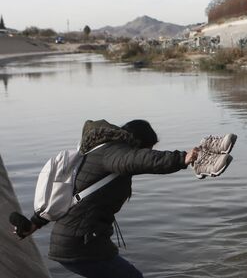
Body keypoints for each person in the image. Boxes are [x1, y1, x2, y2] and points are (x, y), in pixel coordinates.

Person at [15, 119, 202, 278]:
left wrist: (33, 224)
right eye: (148, 148)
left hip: (77, 242)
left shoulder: (100, 153)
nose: (149, 152)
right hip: (80, 245)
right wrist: (182, 158)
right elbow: (140, 160)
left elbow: (67, 196)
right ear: (138, 144)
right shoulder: (114, 152)